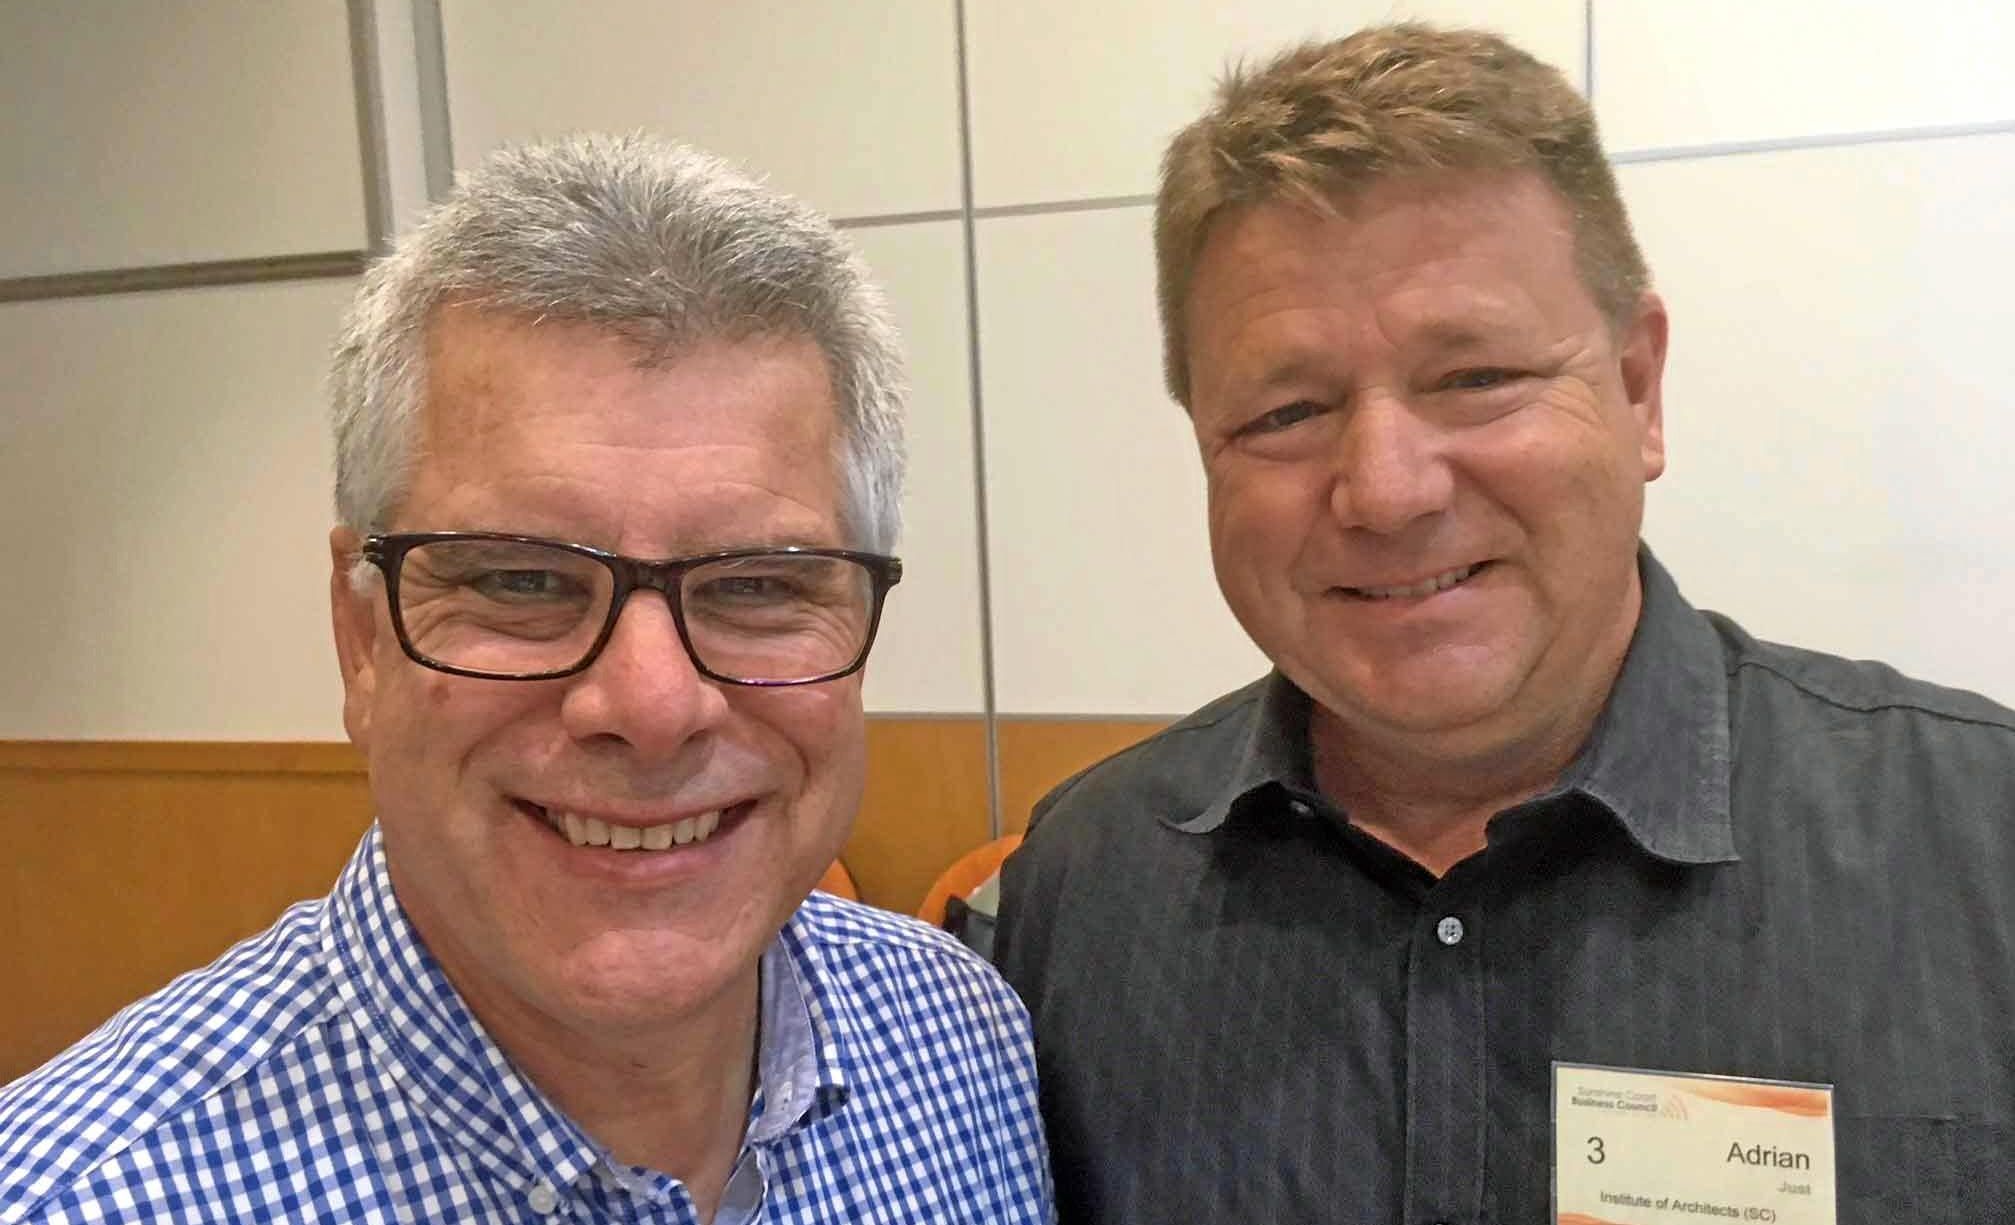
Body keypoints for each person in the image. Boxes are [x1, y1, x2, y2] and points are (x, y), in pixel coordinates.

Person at [994, 24, 2015, 1224]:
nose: (1384, 489)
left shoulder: (1979, 843)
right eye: (1284, 411)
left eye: (1473, 378)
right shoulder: (1085, 887)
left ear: (1637, 386)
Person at [0, 134, 1052, 1224]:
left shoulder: (963, 1045)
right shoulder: (75, 1197)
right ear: (360, 639)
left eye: (754, 586)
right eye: (520, 579)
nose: (649, 707)